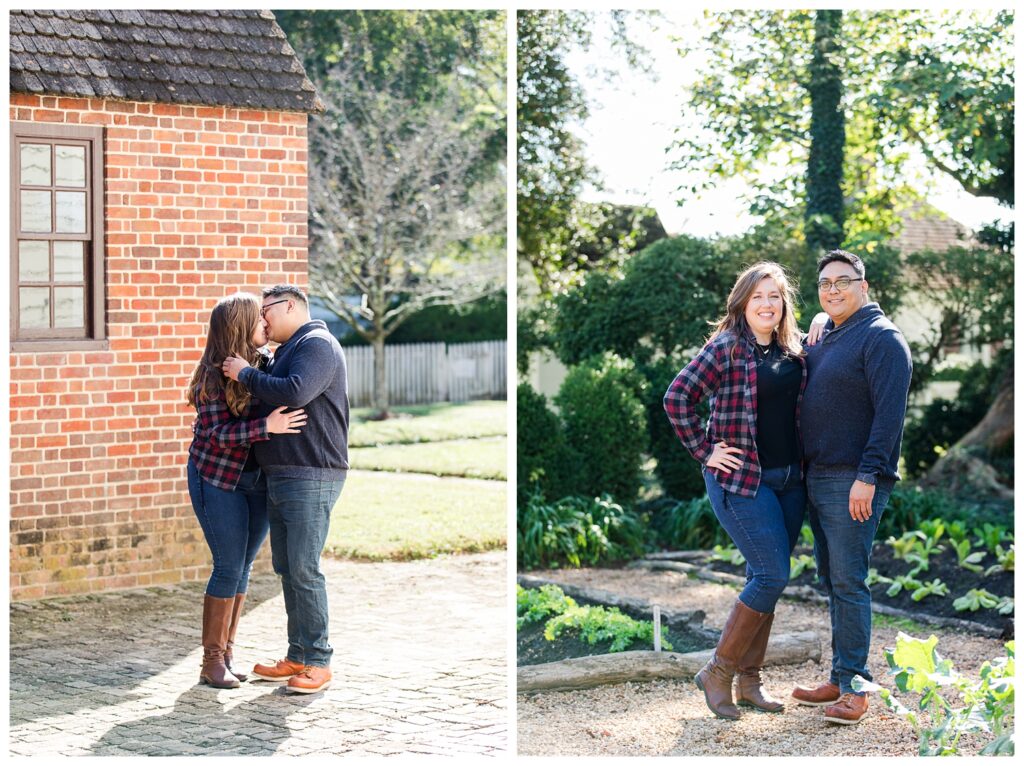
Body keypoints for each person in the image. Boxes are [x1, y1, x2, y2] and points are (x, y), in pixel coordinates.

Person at [663, 262, 808, 720]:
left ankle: (750, 682)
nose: (767, 304)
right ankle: (718, 671)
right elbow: (676, 396)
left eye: (775, 296)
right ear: (743, 302)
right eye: (758, 296)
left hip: (790, 482)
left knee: (763, 578)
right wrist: (704, 450)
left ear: (784, 303)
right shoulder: (727, 347)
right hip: (741, 480)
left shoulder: (793, 351)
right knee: (771, 575)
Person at [791, 250, 912, 725]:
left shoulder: (883, 340)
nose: (834, 289)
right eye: (825, 284)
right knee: (832, 581)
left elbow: (889, 420)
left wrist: (868, 477)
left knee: (849, 582)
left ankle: (857, 689)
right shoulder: (826, 334)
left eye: (844, 281)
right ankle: (841, 678)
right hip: (816, 477)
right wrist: (821, 318)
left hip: (853, 480)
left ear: (865, 286)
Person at [222, 285, 349, 694]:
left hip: (312, 472)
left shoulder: (317, 344)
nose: (263, 319)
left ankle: (318, 661)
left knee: (305, 568)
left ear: (289, 305)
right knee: (288, 567)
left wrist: (245, 373)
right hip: (283, 474)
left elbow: (295, 391)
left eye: (267, 311)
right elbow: (267, 402)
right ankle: (297, 654)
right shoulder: (286, 350)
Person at [186, 292, 307, 689]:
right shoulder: (211, 375)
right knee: (227, 564)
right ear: (241, 327)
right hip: (216, 478)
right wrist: (264, 427)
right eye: (259, 321)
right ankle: (211, 662)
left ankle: (228, 653)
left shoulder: (263, 365)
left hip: (256, 481)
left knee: (243, 568)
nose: (266, 326)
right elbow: (216, 434)